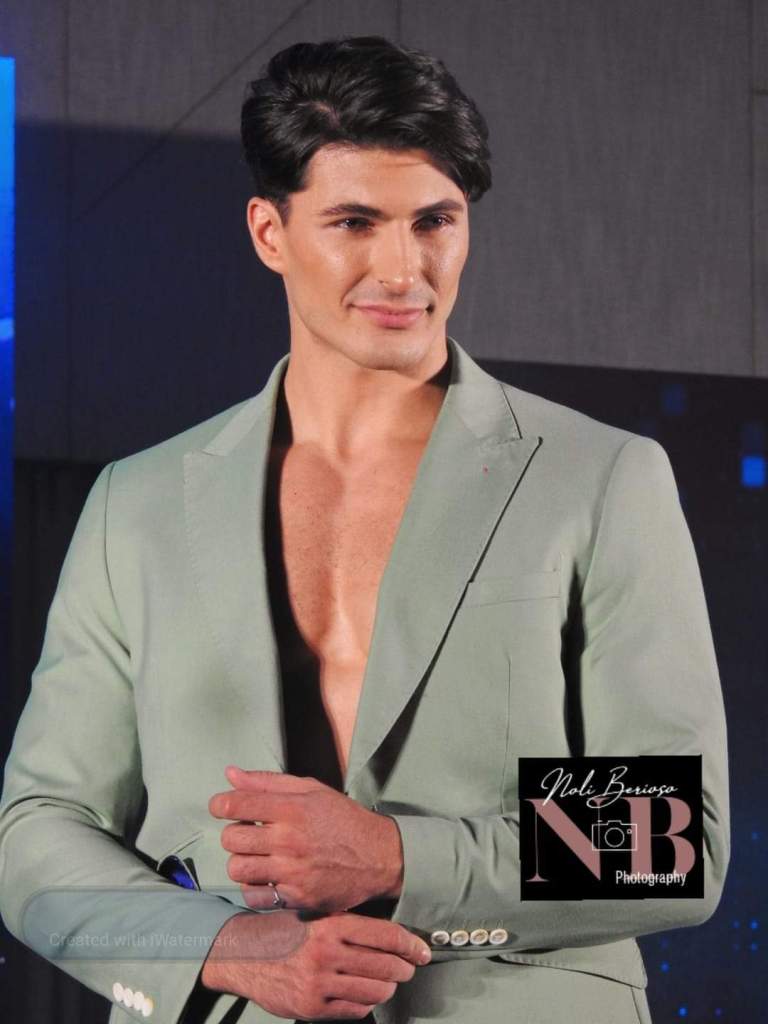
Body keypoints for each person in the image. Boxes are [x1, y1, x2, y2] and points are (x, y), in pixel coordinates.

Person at [0, 35, 729, 1024]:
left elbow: (673, 836)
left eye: (435, 221)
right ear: (270, 232)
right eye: (355, 222)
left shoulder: (596, 478)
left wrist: (395, 856)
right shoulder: (138, 503)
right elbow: (39, 836)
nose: (403, 268)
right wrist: (224, 946)